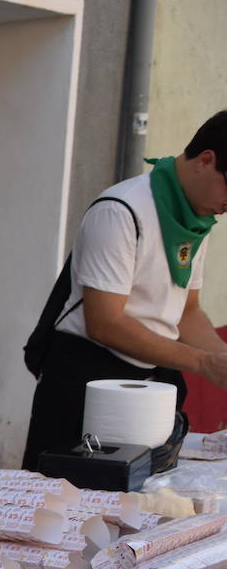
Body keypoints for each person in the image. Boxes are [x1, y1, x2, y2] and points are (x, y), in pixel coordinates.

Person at [22, 111, 227, 469]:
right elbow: (105, 322)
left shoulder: (195, 219)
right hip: (87, 379)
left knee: (141, 506)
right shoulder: (120, 209)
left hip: (153, 383)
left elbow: (187, 311)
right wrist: (204, 363)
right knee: (64, 501)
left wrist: (222, 358)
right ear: (206, 160)